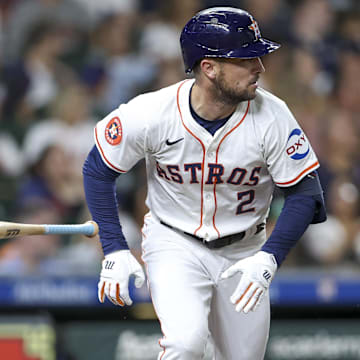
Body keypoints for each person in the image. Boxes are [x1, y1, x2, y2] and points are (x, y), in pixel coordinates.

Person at [82, 7, 327, 360]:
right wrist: (115, 248)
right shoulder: (153, 113)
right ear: (209, 68)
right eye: (245, 59)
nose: (259, 66)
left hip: (245, 249)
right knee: (185, 344)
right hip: (174, 242)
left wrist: (269, 258)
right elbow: (98, 168)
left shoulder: (272, 116)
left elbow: (306, 194)